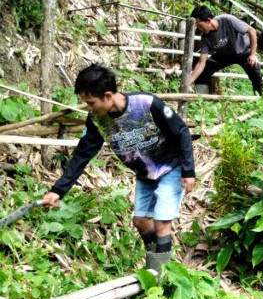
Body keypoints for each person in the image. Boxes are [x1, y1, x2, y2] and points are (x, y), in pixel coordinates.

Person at [42, 63, 196, 272]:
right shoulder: (97, 120)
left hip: (171, 167)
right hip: (145, 175)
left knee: (161, 223)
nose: (89, 107)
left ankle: (158, 275)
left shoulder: (146, 103)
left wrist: (188, 170)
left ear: (107, 96)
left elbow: (181, 132)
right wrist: (58, 190)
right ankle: (157, 263)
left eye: (90, 102)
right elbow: (82, 154)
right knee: (141, 221)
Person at [189, 5, 263, 96]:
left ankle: (260, 100)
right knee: (202, 74)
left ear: (208, 20)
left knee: (255, 70)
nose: (199, 29)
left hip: (242, 50)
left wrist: (252, 55)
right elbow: (201, 62)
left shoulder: (227, 20)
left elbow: (252, 31)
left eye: (199, 25)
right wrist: (189, 80)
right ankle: (202, 103)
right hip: (223, 55)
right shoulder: (205, 37)